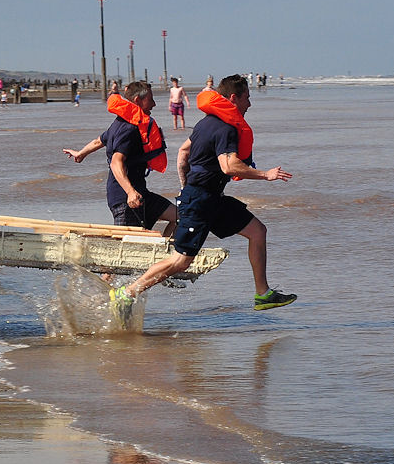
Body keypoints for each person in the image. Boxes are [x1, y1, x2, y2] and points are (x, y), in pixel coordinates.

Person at [108, 74, 296, 322]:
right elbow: (229, 166)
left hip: (210, 199)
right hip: (201, 202)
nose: (249, 104)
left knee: (257, 231)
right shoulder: (226, 128)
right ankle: (127, 292)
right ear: (233, 98)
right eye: (247, 98)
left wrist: (187, 188)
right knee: (180, 261)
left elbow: (183, 153)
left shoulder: (205, 123)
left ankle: (263, 294)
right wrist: (266, 175)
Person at [62, 80, 178, 236]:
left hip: (141, 193)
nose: (154, 104)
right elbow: (116, 163)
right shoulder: (129, 129)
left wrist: (81, 153)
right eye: (150, 99)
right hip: (125, 198)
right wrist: (130, 192)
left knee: (180, 217)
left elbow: (99, 140)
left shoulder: (121, 122)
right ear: (138, 100)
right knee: (123, 243)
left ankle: (166, 254)